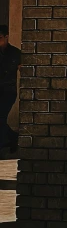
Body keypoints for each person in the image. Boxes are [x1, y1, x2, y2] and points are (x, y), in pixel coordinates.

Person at [0, 24, 20, 153]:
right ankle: (13, 139)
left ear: (6, 37)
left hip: (8, 91)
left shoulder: (15, 53)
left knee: (1, 117)